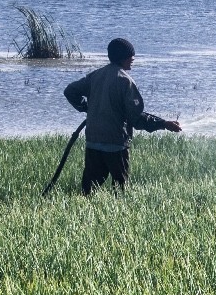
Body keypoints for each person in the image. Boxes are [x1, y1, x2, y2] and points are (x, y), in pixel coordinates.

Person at [63, 37, 181, 194]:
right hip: (116, 144)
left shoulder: (95, 76)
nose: (133, 60)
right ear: (123, 58)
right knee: (120, 189)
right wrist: (164, 124)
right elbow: (137, 119)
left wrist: (86, 107)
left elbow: (70, 91)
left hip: (93, 141)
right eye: (131, 57)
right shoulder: (126, 81)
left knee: (88, 190)